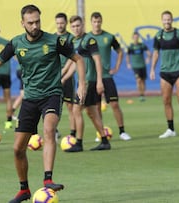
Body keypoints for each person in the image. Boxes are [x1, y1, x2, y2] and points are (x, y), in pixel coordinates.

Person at [0, 5, 86, 203]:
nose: (35, 25)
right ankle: (24, 190)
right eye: (30, 22)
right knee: (18, 149)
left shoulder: (55, 41)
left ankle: (48, 179)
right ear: (22, 23)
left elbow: (79, 59)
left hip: (52, 94)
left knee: (48, 129)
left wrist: (82, 85)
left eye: (38, 21)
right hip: (30, 98)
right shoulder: (16, 43)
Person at [64, 15, 110, 152]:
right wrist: (64, 77)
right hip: (81, 82)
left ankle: (78, 143)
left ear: (82, 25)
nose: (76, 28)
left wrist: (100, 81)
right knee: (92, 112)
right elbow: (75, 63)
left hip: (89, 81)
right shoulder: (73, 41)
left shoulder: (89, 40)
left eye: (78, 26)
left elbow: (97, 61)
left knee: (76, 110)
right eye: (73, 26)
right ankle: (104, 141)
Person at [88, 12, 132, 141]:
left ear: (101, 22)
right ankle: (100, 133)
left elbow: (120, 51)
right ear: (91, 23)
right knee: (96, 107)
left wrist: (117, 67)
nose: (96, 24)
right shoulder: (87, 38)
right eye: (94, 22)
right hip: (93, 77)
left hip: (107, 76)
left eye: (98, 22)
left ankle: (122, 131)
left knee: (114, 104)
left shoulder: (109, 37)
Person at [150, 10, 179, 138]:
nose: (167, 22)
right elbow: (156, 53)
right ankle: (171, 129)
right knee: (166, 100)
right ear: (162, 21)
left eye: (169, 19)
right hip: (165, 73)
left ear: (172, 20)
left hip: (178, 71)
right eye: (165, 19)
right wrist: (152, 69)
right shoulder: (158, 36)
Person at [54, 12, 77, 138]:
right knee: (53, 106)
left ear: (66, 23)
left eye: (62, 23)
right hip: (54, 77)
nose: (59, 25)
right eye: (57, 23)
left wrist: (64, 72)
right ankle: (54, 131)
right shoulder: (51, 38)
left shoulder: (71, 38)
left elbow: (72, 57)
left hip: (67, 76)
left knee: (70, 106)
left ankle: (73, 134)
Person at [126, 32, 151, 102]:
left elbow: (149, 53)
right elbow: (127, 56)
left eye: (137, 37)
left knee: (143, 81)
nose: (136, 38)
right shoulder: (130, 47)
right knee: (138, 80)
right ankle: (140, 95)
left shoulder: (142, 45)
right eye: (134, 37)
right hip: (135, 66)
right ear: (132, 38)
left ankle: (143, 94)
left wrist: (148, 58)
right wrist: (128, 63)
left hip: (142, 65)